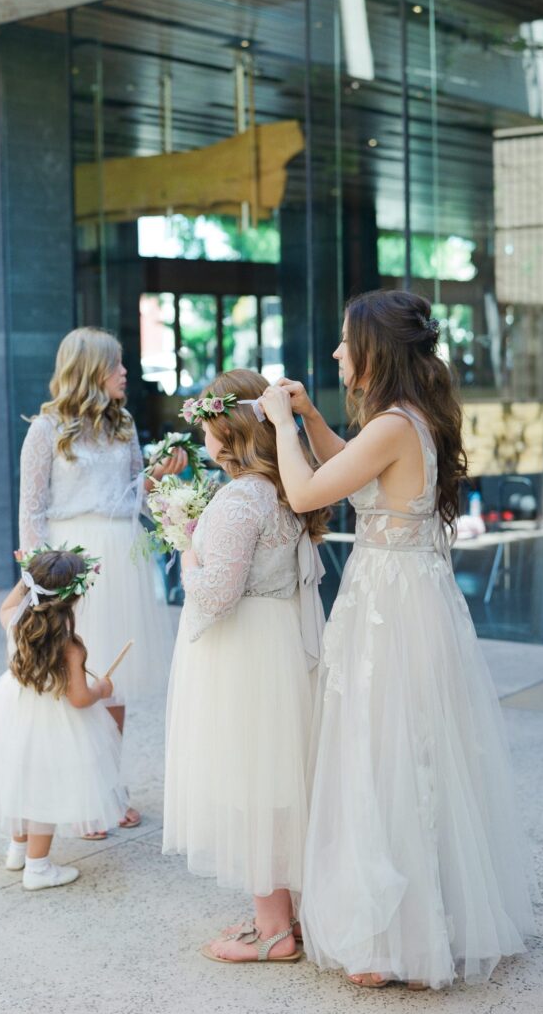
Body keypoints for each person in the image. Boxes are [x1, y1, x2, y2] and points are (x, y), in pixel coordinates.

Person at [260, 289, 534, 989]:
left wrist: (280, 424)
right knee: (394, 750)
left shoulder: (392, 424)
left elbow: (307, 493)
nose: (335, 354)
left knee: (384, 752)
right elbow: (356, 480)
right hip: (400, 597)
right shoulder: (400, 421)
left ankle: (395, 943)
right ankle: (406, 930)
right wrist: (316, 418)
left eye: (345, 343)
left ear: (373, 351)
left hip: (393, 604)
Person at [163, 369, 329, 964]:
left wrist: (184, 543)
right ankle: (292, 914)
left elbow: (214, 596)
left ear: (226, 430)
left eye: (207, 425)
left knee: (252, 783)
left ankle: (271, 930)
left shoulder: (240, 499)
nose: (203, 436)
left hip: (246, 654)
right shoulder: (282, 488)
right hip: (278, 642)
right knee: (281, 783)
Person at [18, 327, 184, 832]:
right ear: (90, 370)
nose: (125, 372)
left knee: (113, 679)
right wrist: (39, 581)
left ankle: (110, 786)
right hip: (71, 560)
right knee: (74, 677)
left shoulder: (125, 424)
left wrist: (162, 475)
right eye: (116, 364)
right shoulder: (45, 430)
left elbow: (137, 494)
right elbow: (31, 510)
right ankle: (81, 793)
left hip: (120, 555)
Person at [0, 548, 126, 890]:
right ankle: (38, 867)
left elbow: (4, 606)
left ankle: (18, 849)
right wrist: (101, 689)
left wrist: (29, 576)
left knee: (20, 781)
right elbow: (78, 699)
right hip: (52, 724)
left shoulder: (17, 624)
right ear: (73, 599)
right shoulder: (70, 647)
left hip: (11, 713)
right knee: (44, 791)